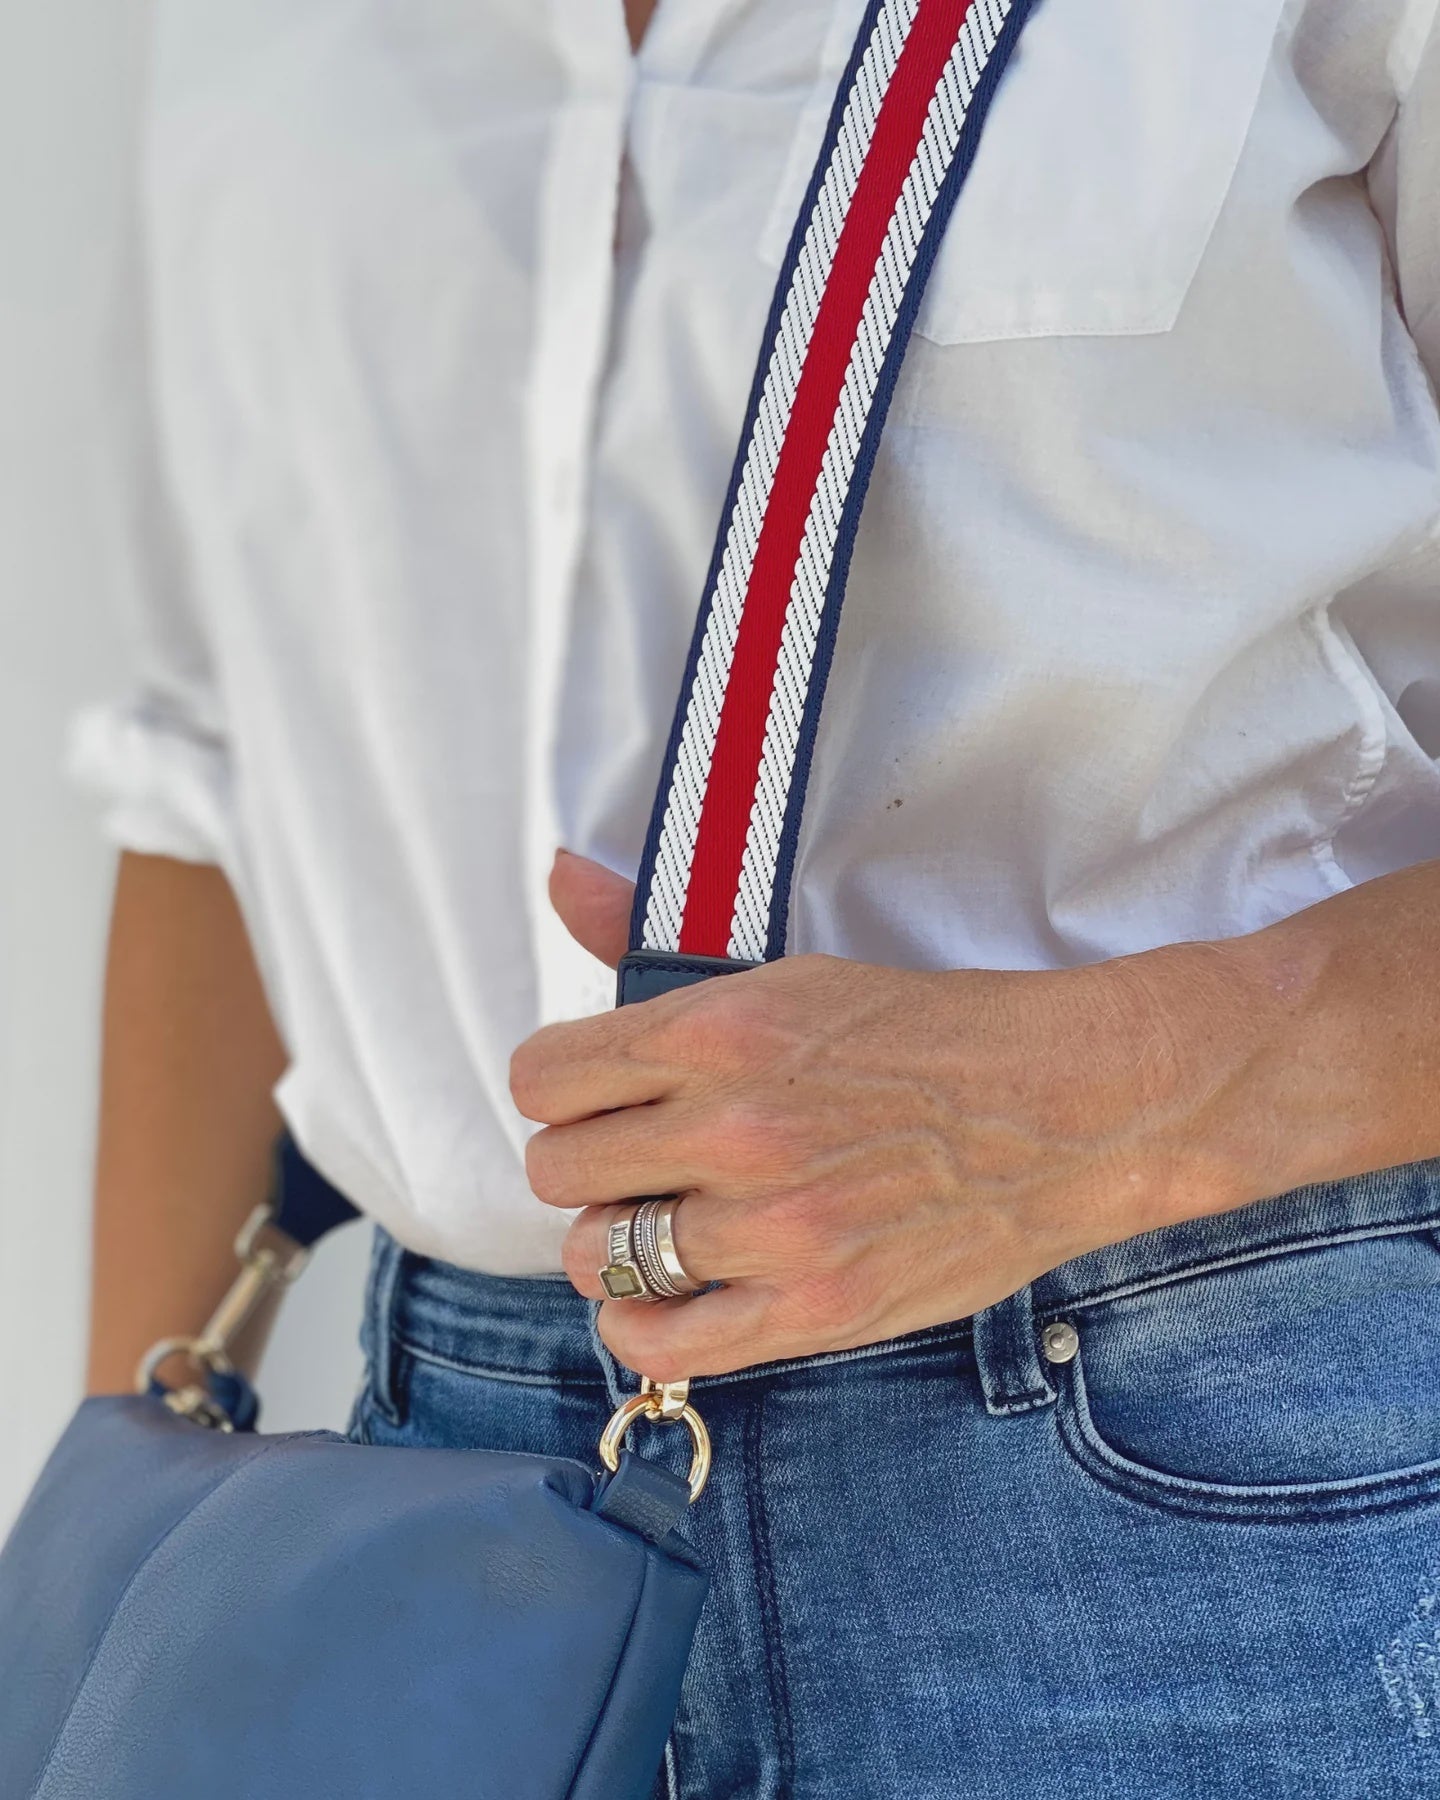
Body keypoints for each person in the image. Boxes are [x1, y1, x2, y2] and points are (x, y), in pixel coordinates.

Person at [80, 1, 1440, 1793]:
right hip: (402, 1520)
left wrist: (1130, 1096)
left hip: (1191, 1497)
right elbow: (214, 780)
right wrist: (116, 1538)